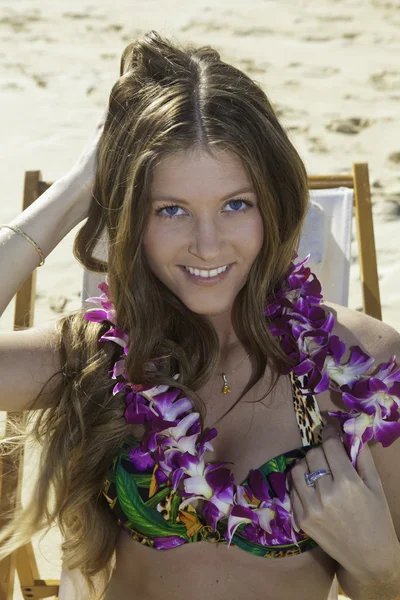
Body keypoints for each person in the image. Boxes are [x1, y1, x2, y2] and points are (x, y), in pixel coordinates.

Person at [0, 30, 399, 600]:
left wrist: (381, 569)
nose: (207, 246)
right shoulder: (104, 357)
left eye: (236, 204)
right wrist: (78, 186)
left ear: (275, 205)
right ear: (132, 217)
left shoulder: (363, 373)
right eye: (171, 210)